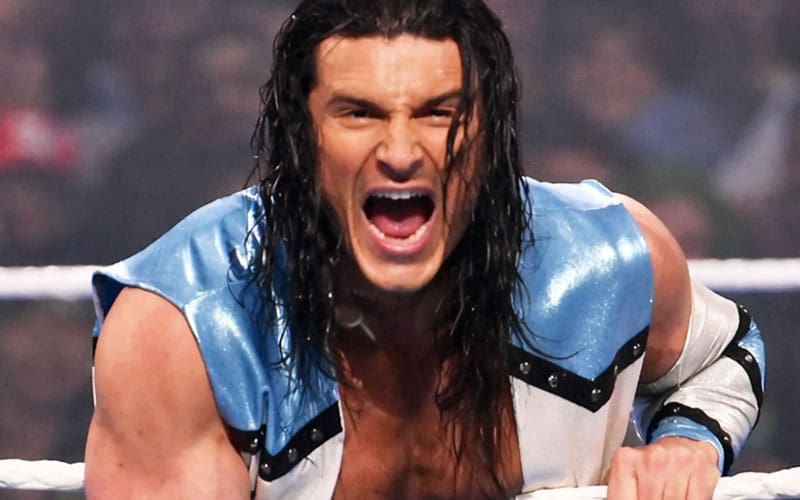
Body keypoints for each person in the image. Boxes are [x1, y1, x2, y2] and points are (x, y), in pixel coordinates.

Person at [84, 1, 765, 498]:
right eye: (359, 113)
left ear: (491, 133)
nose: (401, 152)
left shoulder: (606, 260)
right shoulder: (187, 328)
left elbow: (723, 354)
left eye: (440, 112)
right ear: (301, 136)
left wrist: (687, 443)